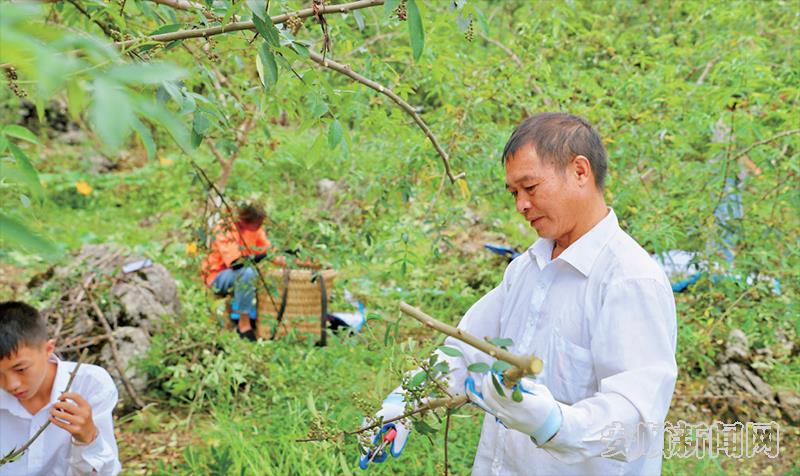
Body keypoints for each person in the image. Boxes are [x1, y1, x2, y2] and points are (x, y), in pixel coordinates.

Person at [360, 113, 678, 475]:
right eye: (514, 193)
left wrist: (553, 423)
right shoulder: (528, 269)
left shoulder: (629, 280)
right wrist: (407, 401)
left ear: (579, 172)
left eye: (531, 188)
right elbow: (466, 348)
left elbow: (635, 421)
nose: (521, 205)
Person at [0, 301, 121, 476]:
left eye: (21, 369)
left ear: (48, 349)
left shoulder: (90, 385)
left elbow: (105, 473)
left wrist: (88, 439)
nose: (11, 384)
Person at [201, 203, 285, 341]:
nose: (260, 226)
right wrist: (265, 256)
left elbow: (270, 252)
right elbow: (236, 263)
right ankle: (243, 323)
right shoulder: (225, 228)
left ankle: (261, 318)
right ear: (246, 221)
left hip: (241, 272)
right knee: (248, 273)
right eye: (257, 223)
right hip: (218, 276)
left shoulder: (256, 231)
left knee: (263, 274)